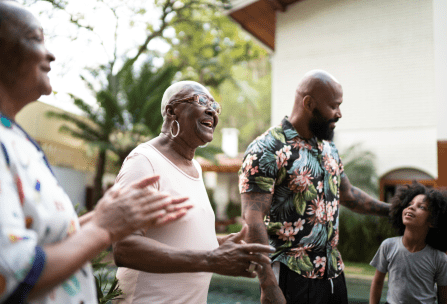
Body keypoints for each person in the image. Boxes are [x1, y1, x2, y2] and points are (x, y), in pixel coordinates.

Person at [0, 0, 191, 303]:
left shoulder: (11, 133)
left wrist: (108, 216)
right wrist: (104, 228)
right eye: (34, 39)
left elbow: (47, 238)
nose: (50, 55)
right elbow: (6, 274)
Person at [112, 80, 275, 304]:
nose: (212, 111)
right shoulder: (144, 161)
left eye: (215, 106)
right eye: (200, 101)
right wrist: (210, 258)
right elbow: (124, 247)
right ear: (171, 111)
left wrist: (216, 243)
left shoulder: (195, 168)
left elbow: (176, 234)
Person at [239, 69, 391, 304]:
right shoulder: (267, 148)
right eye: (334, 106)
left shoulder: (328, 147)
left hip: (333, 273)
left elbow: (348, 194)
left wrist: (392, 210)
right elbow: (253, 218)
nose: (339, 113)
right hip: (292, 274)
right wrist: (268, 284)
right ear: (309, 103)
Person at [369, 183, 447, 304]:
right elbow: (377, 282)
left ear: (432, 220)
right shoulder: (388, 246)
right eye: (409, 204)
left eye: (421, 207)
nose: (411, 207)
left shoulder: (440, 258)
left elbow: (443, 296)